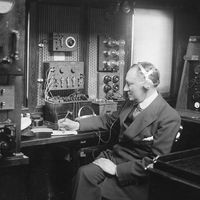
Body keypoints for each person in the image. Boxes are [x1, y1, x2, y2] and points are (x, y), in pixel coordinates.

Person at [58, 62, 181, 200]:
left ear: (146, 85)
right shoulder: (131, 103)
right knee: (83, 174)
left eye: (130, 84)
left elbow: (155, 162)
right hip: (114, 158)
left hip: (136, 174)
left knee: (96, 190)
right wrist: (76, 125)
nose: (124, 88)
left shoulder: (169, 117)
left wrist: (117, 170)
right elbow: (109, 120)